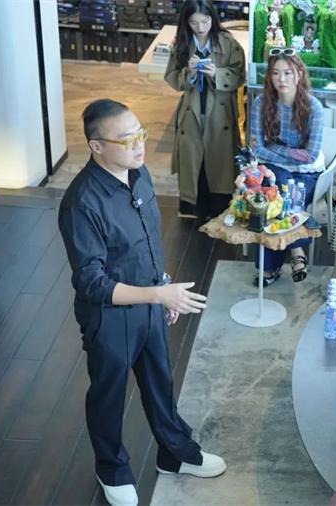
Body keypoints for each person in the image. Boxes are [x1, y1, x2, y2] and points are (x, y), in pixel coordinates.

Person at [58, 99, 225, 506]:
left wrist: (162, 286)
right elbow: (92, 283)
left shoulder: (140, 174)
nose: (139, 145)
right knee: (109, 394)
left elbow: (145, 243)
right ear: (97, 146)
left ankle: (175, 453)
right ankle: (111, 469)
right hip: (109, 317)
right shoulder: (82, 202)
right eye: (126, 139)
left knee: (159, 382)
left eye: (140, 134)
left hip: (151, 299)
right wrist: (159, 294)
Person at [249, 46, 324, 286]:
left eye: (288, 73)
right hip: (273, 169)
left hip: (307, 173)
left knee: (285, 193)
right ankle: (296, 251)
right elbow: (256, 149)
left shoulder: (314, 107)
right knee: (273, 193)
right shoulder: (261, 103)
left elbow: (310, 156)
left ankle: (270, 267)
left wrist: (275, 148)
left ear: (299, 74)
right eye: (276, 73)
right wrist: (291, 153)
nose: (281, 79)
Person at [165, 0, 245, 219]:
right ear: (186, 22)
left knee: (219, 159)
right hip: (191, 108)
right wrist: (189, 74)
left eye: (205, 21)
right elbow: (172, 77)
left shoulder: (227, 42)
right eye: (194, 23)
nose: (200, 27)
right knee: (193, 159)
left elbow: (240, 75)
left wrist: (217, 73)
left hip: (220, 111)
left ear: (213, 18)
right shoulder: (181, 44)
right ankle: (193, 209)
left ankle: (219, 209)